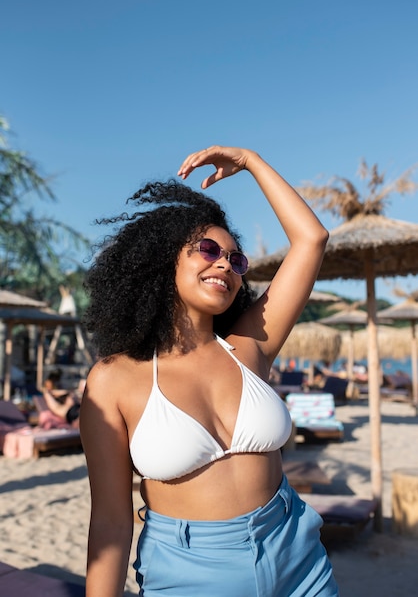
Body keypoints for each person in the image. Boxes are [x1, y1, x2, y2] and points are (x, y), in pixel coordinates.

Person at [80, 146, 339, 597]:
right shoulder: (114, 379)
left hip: (297, 556)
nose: (225, 263)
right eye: (207, 250)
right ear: (164, 262)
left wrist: (251, 162)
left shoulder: (249, 347)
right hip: (189, 571)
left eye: (236, 260)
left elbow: (311, 239)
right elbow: (110, 521)